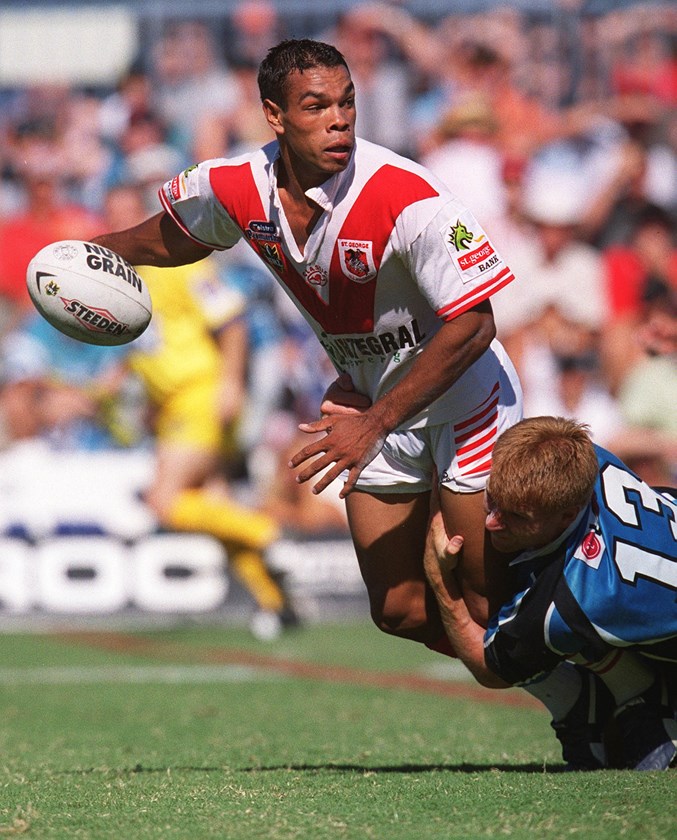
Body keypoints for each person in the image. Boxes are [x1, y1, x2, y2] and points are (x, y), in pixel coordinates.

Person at [89, 39, 522, 661]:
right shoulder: (236, 185)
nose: (339, 120)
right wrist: (86, 253)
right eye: (317, 106)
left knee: (486, 596)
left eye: (347, 102)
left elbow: (476, 326)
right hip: (371, 408)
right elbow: (173, 239)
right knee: (398, 610)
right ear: (275, 115)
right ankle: (537, 669)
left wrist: (375, 421)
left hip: (463, 401)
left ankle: (597, 675)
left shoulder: (409, 196)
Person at [423, 416, 677, 771]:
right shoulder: (578, 458)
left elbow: (489, 669)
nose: (491, 521)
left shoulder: (570, 600)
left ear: (567, 515)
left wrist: (438, 578)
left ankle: (644, 697)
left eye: (516, 515)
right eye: (493, 498)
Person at [102, 183, 298, 639]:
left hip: (201, 393)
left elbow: (231, 318)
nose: (119, 224)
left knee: (164, 501)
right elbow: (153, 350)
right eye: (112, 215)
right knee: (212, 503)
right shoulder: (123, 284)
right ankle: (276, 602)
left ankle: (267, 534)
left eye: (127, 214)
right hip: (177, 402)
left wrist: (231, 383)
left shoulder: (176, 263)